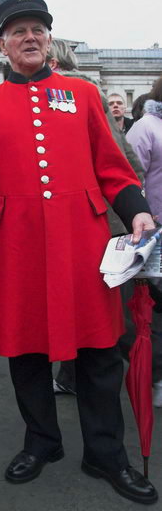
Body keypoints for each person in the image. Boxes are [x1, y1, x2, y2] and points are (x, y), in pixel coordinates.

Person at [0, 0, 158, 505]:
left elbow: (112, 167)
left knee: (100, 351)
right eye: (18, 31)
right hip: (16, 247)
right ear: (2, 44)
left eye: (38, 30)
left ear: (49, 40)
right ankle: (42, 441)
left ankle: (105, 453)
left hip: (84, 243)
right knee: (26, 352)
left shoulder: (82, 94)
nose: (30, 37)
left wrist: (138, 208)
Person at [47, 39, 145, 396]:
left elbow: (118, 156)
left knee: (115, 308)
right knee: (81, 302)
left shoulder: (82, 94)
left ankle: (147, 370)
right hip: (86, 218)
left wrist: (134, 204)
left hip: (101, 219)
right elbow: (130, 156)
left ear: (53, 61)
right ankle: (70, 376)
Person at [126, 77, 162, 408]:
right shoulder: (146, 128)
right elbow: (130, 177)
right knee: (154, 301)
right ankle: (155, 375)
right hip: (155, 231)